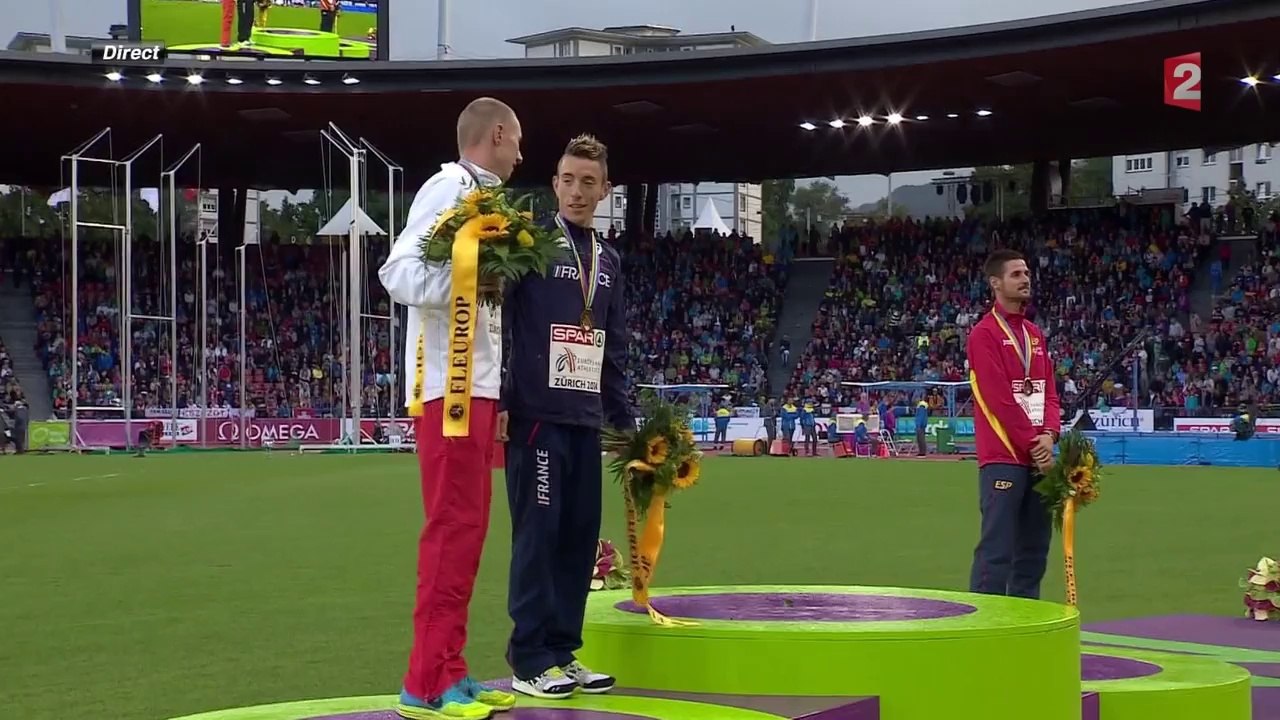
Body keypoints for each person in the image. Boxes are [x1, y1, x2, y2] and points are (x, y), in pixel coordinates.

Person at [378, 97, 524, 720]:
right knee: (452, 530)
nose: (521, 153)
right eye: (517, 140)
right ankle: (426, 681)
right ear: (496, 134)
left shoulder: (482, 200)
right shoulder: (449, 187)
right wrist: (467, 283)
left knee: (467, 533)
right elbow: (398, 271)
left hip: (475, 388)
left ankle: (452, 672)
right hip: (450, 390)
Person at [502, 134, 630, 700]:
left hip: (584, 418)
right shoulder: (527, 245)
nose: (578, 191)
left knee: (578, 539)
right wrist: (502, 398)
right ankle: (529, 657)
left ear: (605, 190)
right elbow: (497, 323)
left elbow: (614, 345)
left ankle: (562, 651)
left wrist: (625, 425)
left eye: (589, 182)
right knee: (539, 535)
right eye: (568, 180)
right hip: (536, 417)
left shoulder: (609, 260)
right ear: (554, 184)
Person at [966, 249, 1061, 600]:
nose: (1025, 279)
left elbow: (1049, 392)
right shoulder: (984, 334)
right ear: (996, 283)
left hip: (1040, 455)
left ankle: (1025, 626)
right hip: (1004, 457)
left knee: (1034, 552)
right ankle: (983, 628)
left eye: (1027, 272)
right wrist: (1034, 444)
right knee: (997, 551)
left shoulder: (1035, 334)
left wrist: (1050, 435)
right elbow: (998, 399)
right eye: (1016, 274)